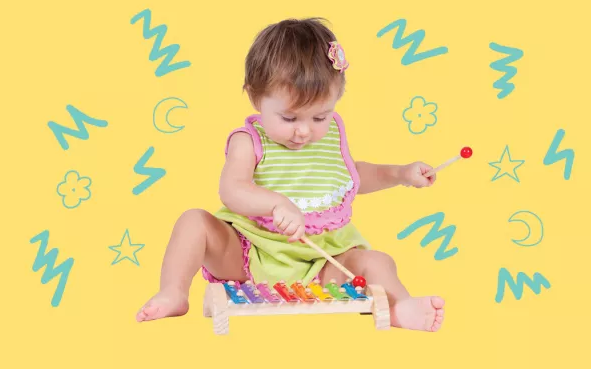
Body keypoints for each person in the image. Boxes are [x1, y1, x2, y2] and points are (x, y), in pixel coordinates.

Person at [136, 18, 445, 332]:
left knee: (379, 262)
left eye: (320, 116)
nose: (304, 130)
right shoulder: (248, 140)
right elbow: (232, 189)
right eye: (289, 117)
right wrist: (275, 204)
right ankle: (173, 292)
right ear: (256, 98)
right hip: (250, 250)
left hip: (321, 259)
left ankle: (399, 307)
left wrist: (400, 173)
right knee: (193, 221)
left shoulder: (331, 135)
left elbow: (350, 177)